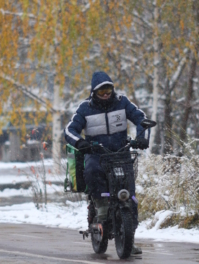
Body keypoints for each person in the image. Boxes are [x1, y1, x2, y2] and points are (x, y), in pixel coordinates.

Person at [64, 71, 150, 255]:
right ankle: (100, 206)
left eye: (108, 88)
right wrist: (81, 143)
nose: (106, 93)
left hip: (121, 154)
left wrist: (142, 138)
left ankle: (129, 239)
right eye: (101, 90)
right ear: (94, 91)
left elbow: (141, 119)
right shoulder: (85, 109)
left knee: (130, 197)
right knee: (93, 171)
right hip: (96, 155)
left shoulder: (122, 102)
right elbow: (70, 130)